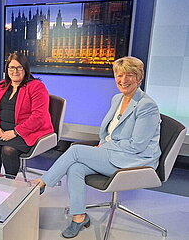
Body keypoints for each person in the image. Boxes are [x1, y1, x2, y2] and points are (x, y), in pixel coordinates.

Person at [33, 56, 161, 238]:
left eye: (130, 75)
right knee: (76, 168)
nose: (123, 80)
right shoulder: (117, 98)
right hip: (114, 151)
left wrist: (105, 147)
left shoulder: (147, 106)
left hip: (135, 159)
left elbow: (137, 146)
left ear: (139, 78)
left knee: (76, 150)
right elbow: (108, 130)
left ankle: (42, 183)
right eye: (119, 75)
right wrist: (105, 143)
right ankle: (79, 217)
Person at [0, 53, 53, 177]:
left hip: (27, 131)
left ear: (25, 69)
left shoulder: (36, 87)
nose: (15, 71)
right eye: (11, 67)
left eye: (19, 67)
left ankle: (10, 183)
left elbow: (39, 116)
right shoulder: (1, 86)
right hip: (1, 129)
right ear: (7, 69)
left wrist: (15, 132)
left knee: (8, 150)